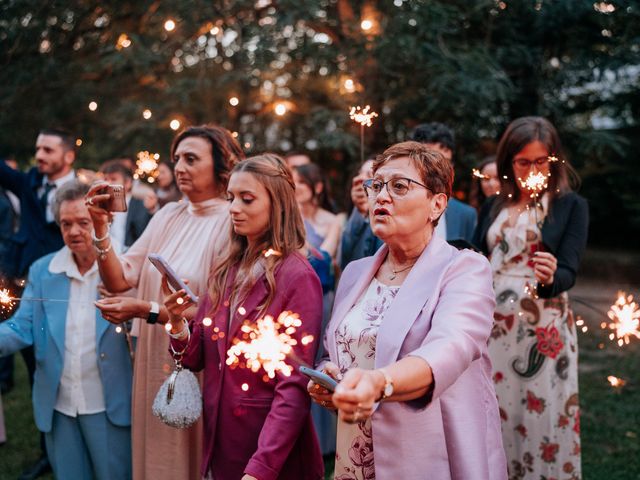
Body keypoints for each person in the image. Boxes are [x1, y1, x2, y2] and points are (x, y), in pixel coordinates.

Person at [309, 141, 507, 479]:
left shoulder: (464, 269)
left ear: (436, 203)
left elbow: (450, 347)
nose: (381, 197)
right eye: (376, 185)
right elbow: (345, 347)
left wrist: (379, 382)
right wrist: (329, 377)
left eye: (399, 186)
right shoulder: (356, 272)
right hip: (355, 451)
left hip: (429, 454)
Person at [86, 125, 244, 480]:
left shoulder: (233, 221)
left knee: (195, 453)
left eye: (191, 159)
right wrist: (100, 228)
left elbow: (221, 308)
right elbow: (119, 279)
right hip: (156, 353)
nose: (180, 168)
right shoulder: (169, 214)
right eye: (177, 160)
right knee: (159, 454)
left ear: (222, 165)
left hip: (203, 356)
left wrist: (146, 310)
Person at [163, 154, 324, 480]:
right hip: (220, 442)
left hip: (270, 450)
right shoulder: (225, 268)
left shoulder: (297, 277)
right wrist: (178, 323)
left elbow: (293, 387)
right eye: (231, 198)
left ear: (277, 204)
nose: (234, 208)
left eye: (247, 199)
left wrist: (260, 469)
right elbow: (197, 358)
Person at [472, 117, 588, 479]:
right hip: (492, 328)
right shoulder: (494, 205)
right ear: (509, 161)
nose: (532, 169)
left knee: (540, 416)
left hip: (543, 330)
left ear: (554, 161)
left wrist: (552, 276)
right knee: (494, 411)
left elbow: (569, 270)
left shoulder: (569, 205)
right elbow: (476, 257)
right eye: (523, 161)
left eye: (541, 161)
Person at [0, 181, 133, 479]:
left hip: (110, 403)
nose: (73, 231)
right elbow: (22, 327)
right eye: (66, 223)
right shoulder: (44, 270)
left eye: (83, 222)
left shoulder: (127, 266)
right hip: (59, 406)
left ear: (103, 220)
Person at [0, 128, 77, 479]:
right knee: (37, 368)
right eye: (37, 149)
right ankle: (48, 451)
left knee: (71, 366)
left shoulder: (82, 192)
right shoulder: (30, 182)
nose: (40, 155)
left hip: (70, 291)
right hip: (30, 289)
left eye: (47, 149)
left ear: (68, 156)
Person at [410, 122, 477, 242]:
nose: (440, 168)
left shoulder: (467, 215)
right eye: (431, 159)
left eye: (446, 162)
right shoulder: (393, 208)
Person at [292, 163, 343, 261]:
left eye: (302, 182)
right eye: (293, 182)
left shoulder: (332, 221)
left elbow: (323, 258)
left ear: (318, 187)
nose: (295, 186)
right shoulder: (287, 218)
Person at [339, 158, 383, 269]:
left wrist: (371, 208)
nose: (360, 179)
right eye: (360, 174)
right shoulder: (352, 217)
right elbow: (346, 259)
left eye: (369, 175)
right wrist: (361, 211)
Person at [99, 160, 152, 249]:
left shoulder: (140, 205)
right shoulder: (101, 205)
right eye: (105, 179)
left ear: (127, 183)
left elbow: (142, 235)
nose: (108, 184)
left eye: (113, 179)